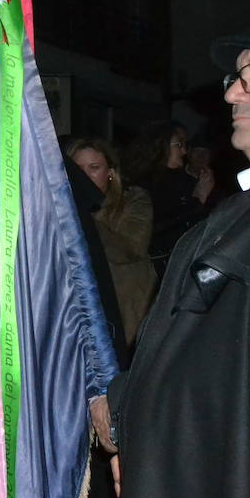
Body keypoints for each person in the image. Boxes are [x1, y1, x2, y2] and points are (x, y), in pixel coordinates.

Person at [105, 25, 250, 498]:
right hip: (187, 496)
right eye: (236, 77)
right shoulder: (240, 209)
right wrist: (129, 419)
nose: (232, 94)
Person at [67, 138, 158, 346]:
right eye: (78, 168)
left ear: (110, 172)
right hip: (75, 315)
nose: (85, 175)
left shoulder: (133, 200)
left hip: (122, 313)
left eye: (94, 167)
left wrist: (85, 220)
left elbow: (131, 248)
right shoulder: (59, 207)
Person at [125, 119, 213, 274]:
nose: (184, 152)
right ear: (160, 146)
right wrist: (199, 198)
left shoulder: (181, 179)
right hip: (156, 268)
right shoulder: (143, 186)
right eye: (179, 145)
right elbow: (166, 229)